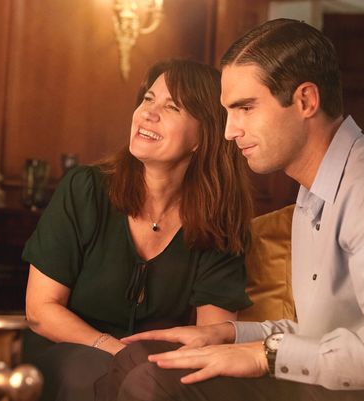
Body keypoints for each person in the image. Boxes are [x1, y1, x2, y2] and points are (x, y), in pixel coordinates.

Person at [116, 19, 364, 401]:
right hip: (356, 390)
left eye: (245, 108)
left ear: (305, 100)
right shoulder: (317, 189)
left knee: (153, 383)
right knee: (141, 358)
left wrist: (264, 355)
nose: (230, 130)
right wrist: (231, 335)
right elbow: (330, 335)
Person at [21, 59, 254, 401]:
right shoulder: (85, 189)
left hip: (151, 373)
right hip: (66, 354)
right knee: (92, 376)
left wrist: (152, 368)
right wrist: (121, 353)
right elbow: (41, 310)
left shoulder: (220, 222)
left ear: (203, 136)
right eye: (148, 99)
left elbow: (210, 336)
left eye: (171, 107)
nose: (148, 113)